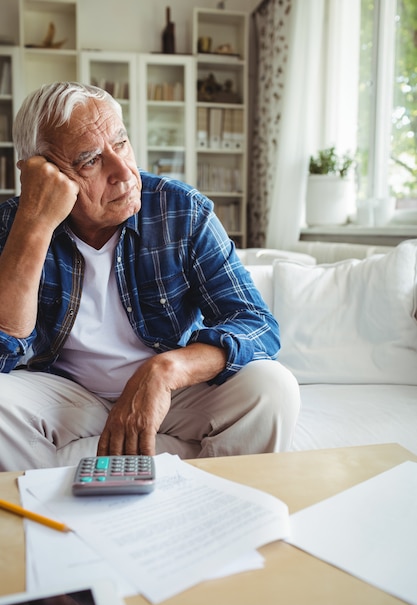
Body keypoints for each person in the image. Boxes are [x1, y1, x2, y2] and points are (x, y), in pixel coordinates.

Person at [0, 82, 300, 471]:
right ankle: (46, 516)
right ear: (45, 175)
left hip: (172, 397)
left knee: (272, 387)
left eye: (121, 143)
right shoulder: (13, 224)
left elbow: (257, 324)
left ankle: (214, 508)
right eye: (91, 160)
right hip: (65, 396)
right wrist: (36, 225)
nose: (124, 173)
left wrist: (165, 371)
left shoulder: (181, 209)